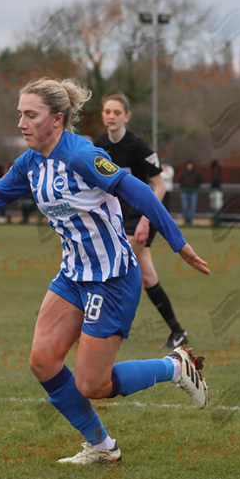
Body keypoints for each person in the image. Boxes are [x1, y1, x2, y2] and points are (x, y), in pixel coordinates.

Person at [0, 78, 211, 464]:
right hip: (72, 275)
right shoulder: (30, 162)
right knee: (43, 361)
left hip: (111, 278)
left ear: (57, 120)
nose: (22, 123)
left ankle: (174, 366)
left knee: (92, 383)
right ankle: (101, 446)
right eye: (19, 114)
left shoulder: (83, 155)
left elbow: (139, 190)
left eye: (30, 115)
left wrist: (178, 243)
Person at [93, 93, 190, 350]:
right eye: (107, 112)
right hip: (119, 217)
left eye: (116, 112)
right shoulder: (99, 145)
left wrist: (147, 220)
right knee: (147, 276)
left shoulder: (138, 147)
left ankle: (103, 327)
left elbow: (159, 187)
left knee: (114, 265)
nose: (111, 116)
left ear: (126, 116)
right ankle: (177, 332)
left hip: (143, 216)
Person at [177, 161, 201, 226]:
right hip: (185, 192)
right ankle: (186, 219)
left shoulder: (196, 173)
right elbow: (180, 180)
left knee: (192, 207)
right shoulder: (184, 173)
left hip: (193, 192)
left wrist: (196, 187)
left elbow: (200, 180)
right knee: (185, 206)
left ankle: (190, 220)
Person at [208, 160, 224, 225]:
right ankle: (216, 220)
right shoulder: (216, 171)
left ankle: (217, 221)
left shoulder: (216, 172)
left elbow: (216, 182)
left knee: (217, 207)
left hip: (216, 191)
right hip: (215, 191)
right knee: (215, 207)